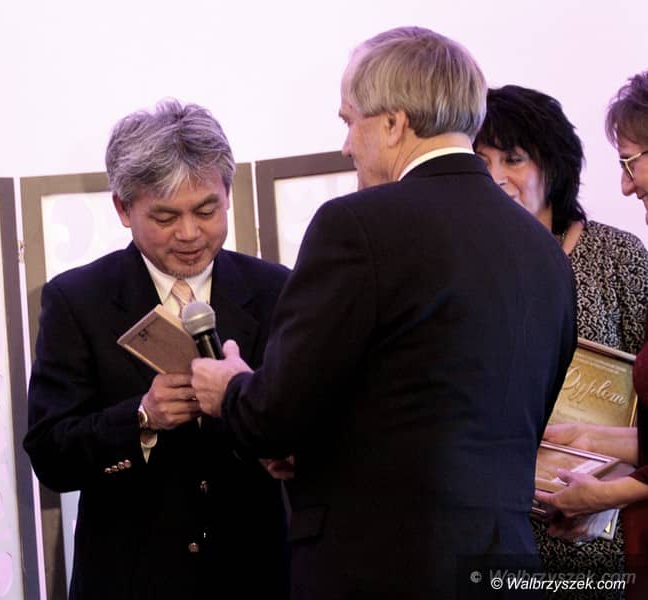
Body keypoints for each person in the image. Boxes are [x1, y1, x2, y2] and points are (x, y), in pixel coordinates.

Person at [192, 27, 577, 599]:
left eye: (350, 121)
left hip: (383, 565)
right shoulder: (544, 251)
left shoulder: (356, 225)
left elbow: (275, 414)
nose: (346, 145)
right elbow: (486, 419)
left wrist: (229, 389)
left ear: (394, 123)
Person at [23, 100, 291, 600]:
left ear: (229, 195)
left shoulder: (277, 289)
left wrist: (250, 402)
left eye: (206, 210)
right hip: (130, 579)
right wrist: (142, 418)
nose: (189, 233)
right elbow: (51, 455)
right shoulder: (78, 301)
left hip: (256, 574)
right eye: (166, 216)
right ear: (123, 209)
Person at [475, 85, 648, 591]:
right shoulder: (467, 269)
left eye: (513, 159)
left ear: (552, 165)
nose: (496, 177)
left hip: (604, 531)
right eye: (481, 163)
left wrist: (609, 493)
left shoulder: (618, 256)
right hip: (499, 530)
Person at [534, 70, 648, 592]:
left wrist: (606, 495)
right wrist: (587, 438)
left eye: (629, 161)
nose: (625, 184)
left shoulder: (618, 253)